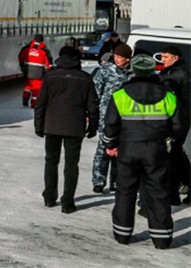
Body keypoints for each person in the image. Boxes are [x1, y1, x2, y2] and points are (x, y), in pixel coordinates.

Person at [103, 54, 183, 249]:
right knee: (158, 192)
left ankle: (122, 235)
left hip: (128, 148)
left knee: (125, 191)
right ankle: (162, 239)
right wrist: (168, 140)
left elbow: (110, 124)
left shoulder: (120, 95)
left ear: (134, 71)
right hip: (156, 150)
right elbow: (178, 125)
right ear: (153, 70)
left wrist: (110, 144)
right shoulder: (168, 95)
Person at [34, 45, 99, 214]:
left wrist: (39, 125)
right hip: (75, 126)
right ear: (76, 58)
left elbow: (41, 103)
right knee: (71, 165)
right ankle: (68, 202)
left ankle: (49, 197)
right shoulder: (85, 78)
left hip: (52, 125)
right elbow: (92, 105)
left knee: (51, 161)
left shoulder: (50, 76)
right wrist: (93, 126)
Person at [91, 43, 132, 193]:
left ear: (128, 59)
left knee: (120, 150)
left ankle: (115, 181)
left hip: (125, 118)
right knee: (103, 149)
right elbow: (95, 93)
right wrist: (92, 114)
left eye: (120, 57)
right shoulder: (105, 70)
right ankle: (98, 180)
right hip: (105, 116)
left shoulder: (132, 73)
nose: (116, 59)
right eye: (115, 56)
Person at [157, 46, 190, 205]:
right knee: (175, 153)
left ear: (175, 58)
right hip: (178, 118)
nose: (162, 59)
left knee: (171, 153)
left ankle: (172, 190)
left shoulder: (176, 74)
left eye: (165, 57)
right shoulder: (174, 72)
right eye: (162, 56)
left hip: (178, 119)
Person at [20, 34, 53, 108]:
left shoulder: (27, 48)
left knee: (28, 85)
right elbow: (48, 63)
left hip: (28, 71)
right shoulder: (44, 50)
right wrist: (49, 71)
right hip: (38, 72)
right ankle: (34, 103)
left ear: (34, 39)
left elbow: (21, 57)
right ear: (42, 40)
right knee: (36, 88)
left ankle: (25, 99)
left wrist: (22, 66)